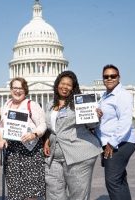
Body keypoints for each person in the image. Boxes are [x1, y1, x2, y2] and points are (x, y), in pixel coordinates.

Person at [43, 71, 102, 200]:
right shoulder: (49, 105)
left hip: (78, 155)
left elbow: (92, 125)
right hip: (54, 156)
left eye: (69, 85)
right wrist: (46, 139)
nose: (65, 87)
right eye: (62, 83)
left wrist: (95, 116)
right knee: (54, 194)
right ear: (57, 84)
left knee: (78, 195)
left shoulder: (79, 103)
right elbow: (50, 127)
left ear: (73, 87)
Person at [0, 77, 47, 200]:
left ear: (25, 90)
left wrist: (34, 134)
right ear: (10, 90)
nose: (17, 91)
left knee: (31, 190)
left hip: (31, 151)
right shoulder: (6, 105)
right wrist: (1, 138)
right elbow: (1, 126)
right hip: (12, 152)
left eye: (20, 88)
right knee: (14, 189)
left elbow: (43, 125)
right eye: (15, 88)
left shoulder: (32, 105)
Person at [96, 64, 135, 200]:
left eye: (112, 76)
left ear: (118, 77)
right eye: (106, 76)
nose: (109, 79)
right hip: (113, 142)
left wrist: (111, 144)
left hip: (120, 143)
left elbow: (125, 122)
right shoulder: (105, 96)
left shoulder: (122, 95)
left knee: (112, 182)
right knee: (119, 180)